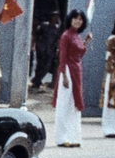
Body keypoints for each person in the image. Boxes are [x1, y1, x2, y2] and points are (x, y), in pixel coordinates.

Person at [53, 9, 90, 147]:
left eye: (80, 19)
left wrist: (85, 42)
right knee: (64, 104)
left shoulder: (77, 36)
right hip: (67, 70)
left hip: (77, 71)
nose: (77, 21)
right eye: (75, 18)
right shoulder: (66, 35)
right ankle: (62, 138)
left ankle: (73, 137)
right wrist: (63, 75)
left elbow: (79, 55)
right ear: (70, 19)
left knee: (74, 104)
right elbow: (62, 56)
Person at [31, 10, 61, 89]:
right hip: (41, 48)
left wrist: (57, 50)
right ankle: (37, 82)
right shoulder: (44, 25)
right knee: (39, 66)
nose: (56, 18)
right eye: (54, 16)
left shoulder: (57, 29)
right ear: (51, 17)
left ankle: (36, 80)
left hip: (50, 50)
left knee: (47, 67)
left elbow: (58, 40)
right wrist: (34, 44)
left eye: (57, 16)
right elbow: (36, 34)